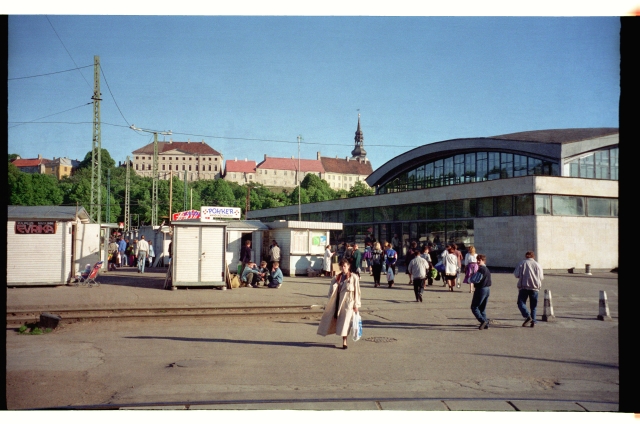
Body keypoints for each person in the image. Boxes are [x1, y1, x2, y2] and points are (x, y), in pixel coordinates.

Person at [317, 258, 362, 349]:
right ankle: (340, 337)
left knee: (345, 323)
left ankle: (344, 341)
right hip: (337, 304)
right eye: (341, 266)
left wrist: (356, 305)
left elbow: (357, 292)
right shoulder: (336, 277)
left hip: (348, 304)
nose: (343, 268)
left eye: (344, 266)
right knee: (337, 322)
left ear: (348, 266)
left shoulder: (354, 277)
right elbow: (330, 292)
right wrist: (330, 302)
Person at [514, 251, 544, 328]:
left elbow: (516, 274)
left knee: (520, 303)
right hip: (535, 287)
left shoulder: (521, 263)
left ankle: (527, 316)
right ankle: (533, 321)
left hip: (524, 286)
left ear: (526, 256)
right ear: (533, 256)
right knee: (533, 306)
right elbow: (541, 277)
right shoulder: (537, 265)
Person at [470, 254, 492, 330]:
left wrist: (470, 278)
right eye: (477, 260)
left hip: (481, 289)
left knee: (474, 307)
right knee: (482, 308)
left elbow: (476, 279)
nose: (478, 261)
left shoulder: (482, 269)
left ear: (483, 260)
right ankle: (486, 324)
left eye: (480, 260)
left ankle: (483, 321)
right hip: (487, 289)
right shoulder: (487, 269)